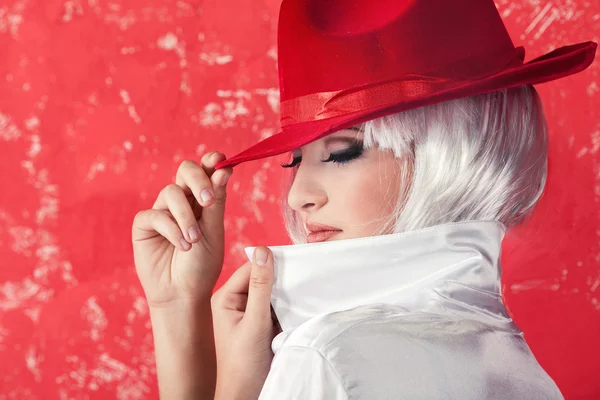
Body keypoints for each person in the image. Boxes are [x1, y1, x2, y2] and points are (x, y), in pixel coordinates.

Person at [131, 0, 597, 398]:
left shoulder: (324, 356)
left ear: (448, 154)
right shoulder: (514, 364)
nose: (297, 196)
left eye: (341, 153)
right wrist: (178, 306)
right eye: (293, 161)